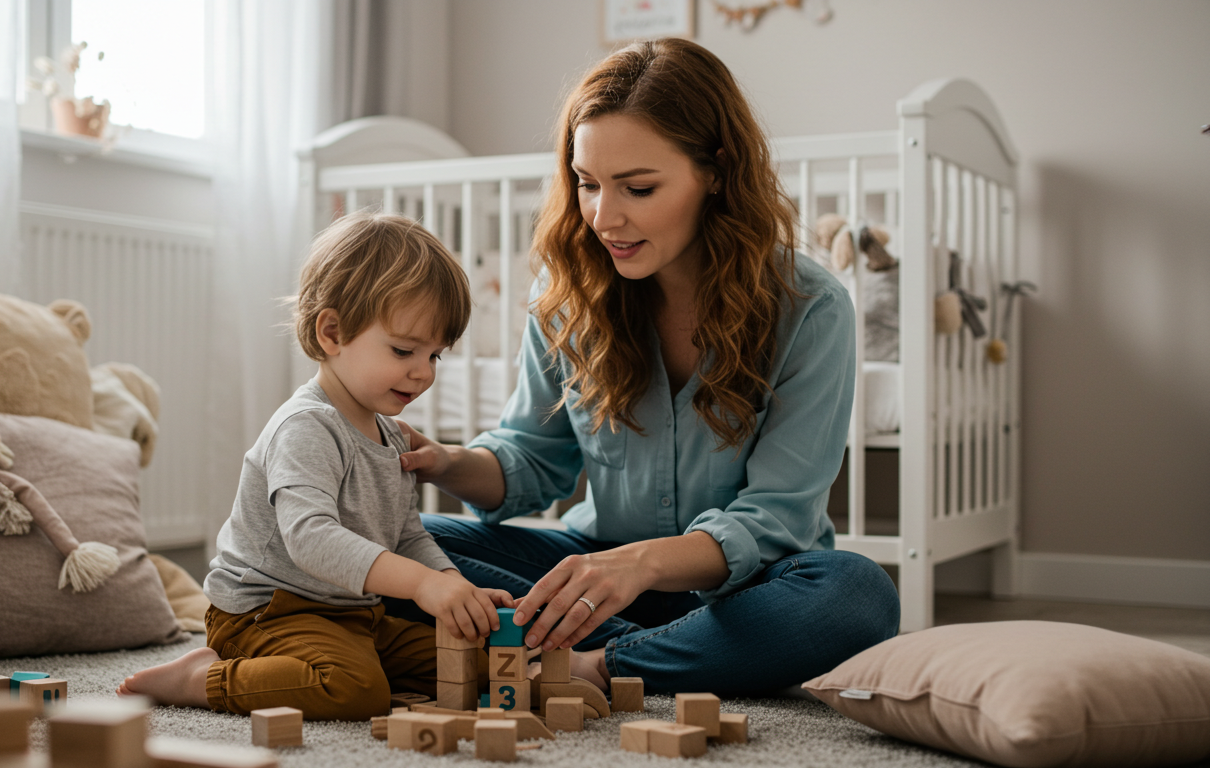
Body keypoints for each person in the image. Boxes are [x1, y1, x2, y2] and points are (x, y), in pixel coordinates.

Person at [395, 38, 900, 697]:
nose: (604, 218)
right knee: (399, 542)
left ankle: (596, 664)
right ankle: (674, 654)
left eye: (638, 188)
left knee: (858, 593)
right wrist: (443, 462)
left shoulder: (810, 307)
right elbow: (532, 458)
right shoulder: (567, 295)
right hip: (597, 577)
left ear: (717, 171)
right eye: (587, 184)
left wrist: (639, 565)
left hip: (742, 589)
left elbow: (777, 516)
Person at [118, 212, 514, 719]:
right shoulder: (306, 426)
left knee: (477, 663)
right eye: (404, 350)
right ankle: (201, 678)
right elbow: (310, 538)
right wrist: (421, 585)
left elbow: (407, 535)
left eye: (435, 356)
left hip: (353, 613)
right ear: (332, 332)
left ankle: (341, 662)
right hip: (266, 612)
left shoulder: (392, 435)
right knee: (354, 690)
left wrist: (454, 585)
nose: (423, 373)